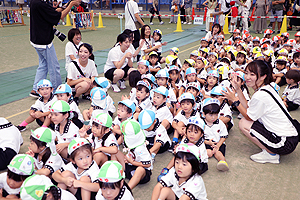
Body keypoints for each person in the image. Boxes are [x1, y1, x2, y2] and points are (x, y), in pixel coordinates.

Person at [223, 60, 299, 164]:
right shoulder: (266, 88)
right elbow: (249, 106)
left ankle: (271, 154)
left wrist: (235, 101)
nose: (247, 77)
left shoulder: (260, 95)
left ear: (263, 76)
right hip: (290, 137)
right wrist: (238, 89)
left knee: (243, 123)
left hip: (284, 143)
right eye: (246, 73)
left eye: (252, 74)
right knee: (246, 121)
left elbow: (249, 117)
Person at [29, 0, 80, 98]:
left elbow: (53, 11)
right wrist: (71, 5)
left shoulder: (35, 2)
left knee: (43, 65)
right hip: (44, 42)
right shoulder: (41, 4)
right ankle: (58, 90)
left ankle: (36, 89)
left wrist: (66, 5)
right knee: (54, 67)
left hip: (36, 40)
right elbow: (60, 16)